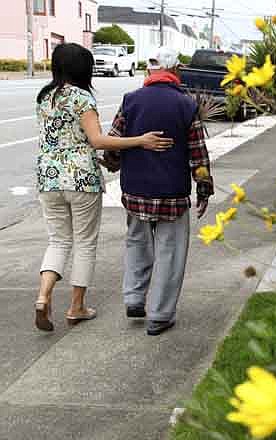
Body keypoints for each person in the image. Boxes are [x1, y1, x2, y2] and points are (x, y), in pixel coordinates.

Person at [34, 43, 173, 332]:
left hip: (48, 179)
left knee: (58, 241)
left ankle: (43, 296)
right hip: (81, 180)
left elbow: (65, 141)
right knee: (84, 243)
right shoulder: (82, 98)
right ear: (83, 69)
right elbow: (97, 140)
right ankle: (76, 307)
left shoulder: (45, 97)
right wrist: (140, 140)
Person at [102, 47, 214, 336]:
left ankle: (134, 298)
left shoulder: (131, 101)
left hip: (136, 191)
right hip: (172, 193)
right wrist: (203, 188)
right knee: (170, 252)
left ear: (150, 71)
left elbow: (113, 143)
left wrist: (115, 162)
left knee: (137, 243)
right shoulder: (186, 105)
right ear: (175, 70)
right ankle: (160, 315)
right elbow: (197, 153)